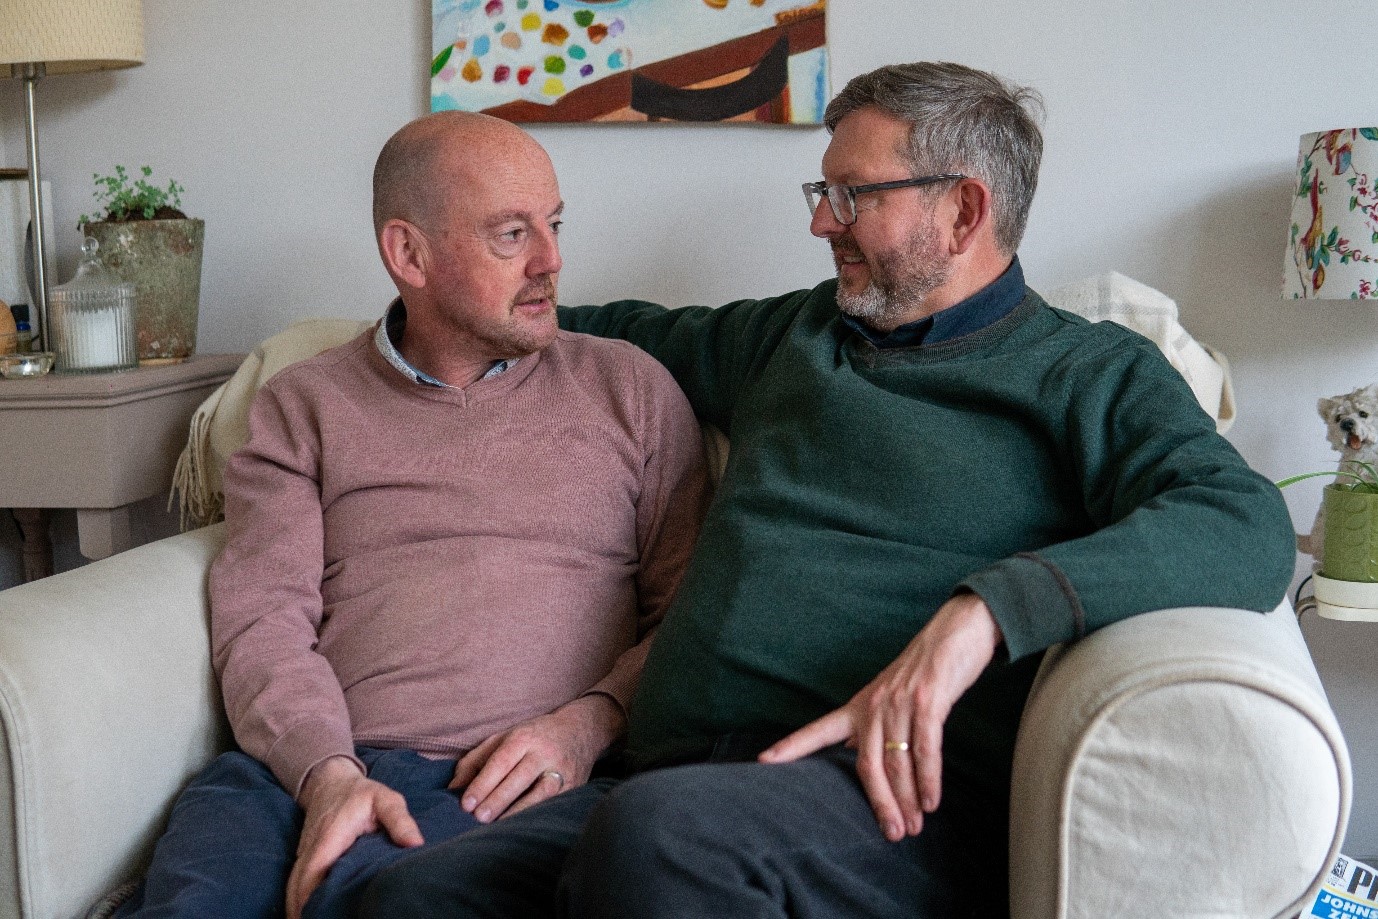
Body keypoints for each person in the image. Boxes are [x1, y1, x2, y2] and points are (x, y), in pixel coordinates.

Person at [361, 61, 1295, 918]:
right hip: (663, 781)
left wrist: (987, 612)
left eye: (851, 195)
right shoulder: (800, 336)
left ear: (964, 212)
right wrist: (425, 313)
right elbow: (603, 340)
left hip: (881, 805)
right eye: (823, 190)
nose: (820, 222)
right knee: (402, 897)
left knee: (659, 843)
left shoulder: (1087, 373)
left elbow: (1243, 521)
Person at [112, 111, 708, 919]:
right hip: (307, 769)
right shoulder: (305, 404)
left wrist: (593, 720)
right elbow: (263, 619)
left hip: (523, 781)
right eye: (511, 234)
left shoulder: (628, 390)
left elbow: (693, 618)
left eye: (555, 223)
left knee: (393, 902)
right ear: (409, 254)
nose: (552, 260)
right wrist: (328, 774)